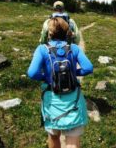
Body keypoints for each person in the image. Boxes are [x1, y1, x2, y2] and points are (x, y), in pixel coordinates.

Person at [28, 17, 93, 148]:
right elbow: (88, 68)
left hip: (52, 102)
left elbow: (32, 73)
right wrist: (75, 74)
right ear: (67, 32)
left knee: (53, 136)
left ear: (49, 33)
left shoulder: (42, 49)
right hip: (73, 101)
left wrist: (46, 77)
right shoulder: (73, 48)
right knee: (72, 143)